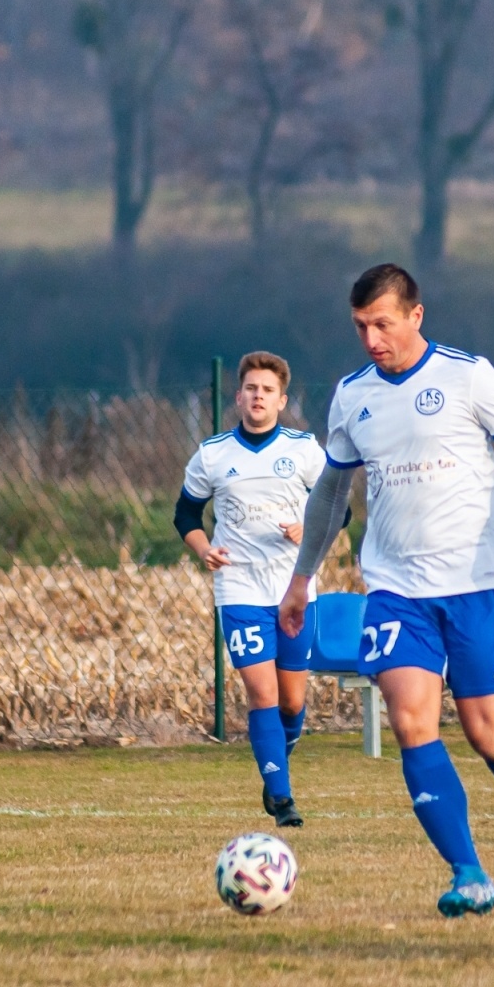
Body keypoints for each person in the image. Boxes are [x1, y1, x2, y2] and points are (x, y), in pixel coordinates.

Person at [279, 263, 494, 917]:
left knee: (489, 735)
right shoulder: (352, 395)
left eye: (382, 324)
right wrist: (301, 578)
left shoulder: (468, 376)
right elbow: (330, 494)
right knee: (411, 724)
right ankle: (470, 874)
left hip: (474, 586)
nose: (371, 339)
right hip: (397, 590)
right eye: (360, 327)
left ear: (415, 316)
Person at [175, 351, 328, 829]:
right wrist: (203, 548)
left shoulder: (304, 450)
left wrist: (308, 528)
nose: (258, 396)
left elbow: (337, 509)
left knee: (291, 702)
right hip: (239, 588)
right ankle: (282, 800)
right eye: (251, 389)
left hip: (294, 588)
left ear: (282, 400)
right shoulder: (213, 454)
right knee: (262, 694)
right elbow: (185, 514)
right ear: (238, 397)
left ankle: (276, 762)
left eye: (268, 390)